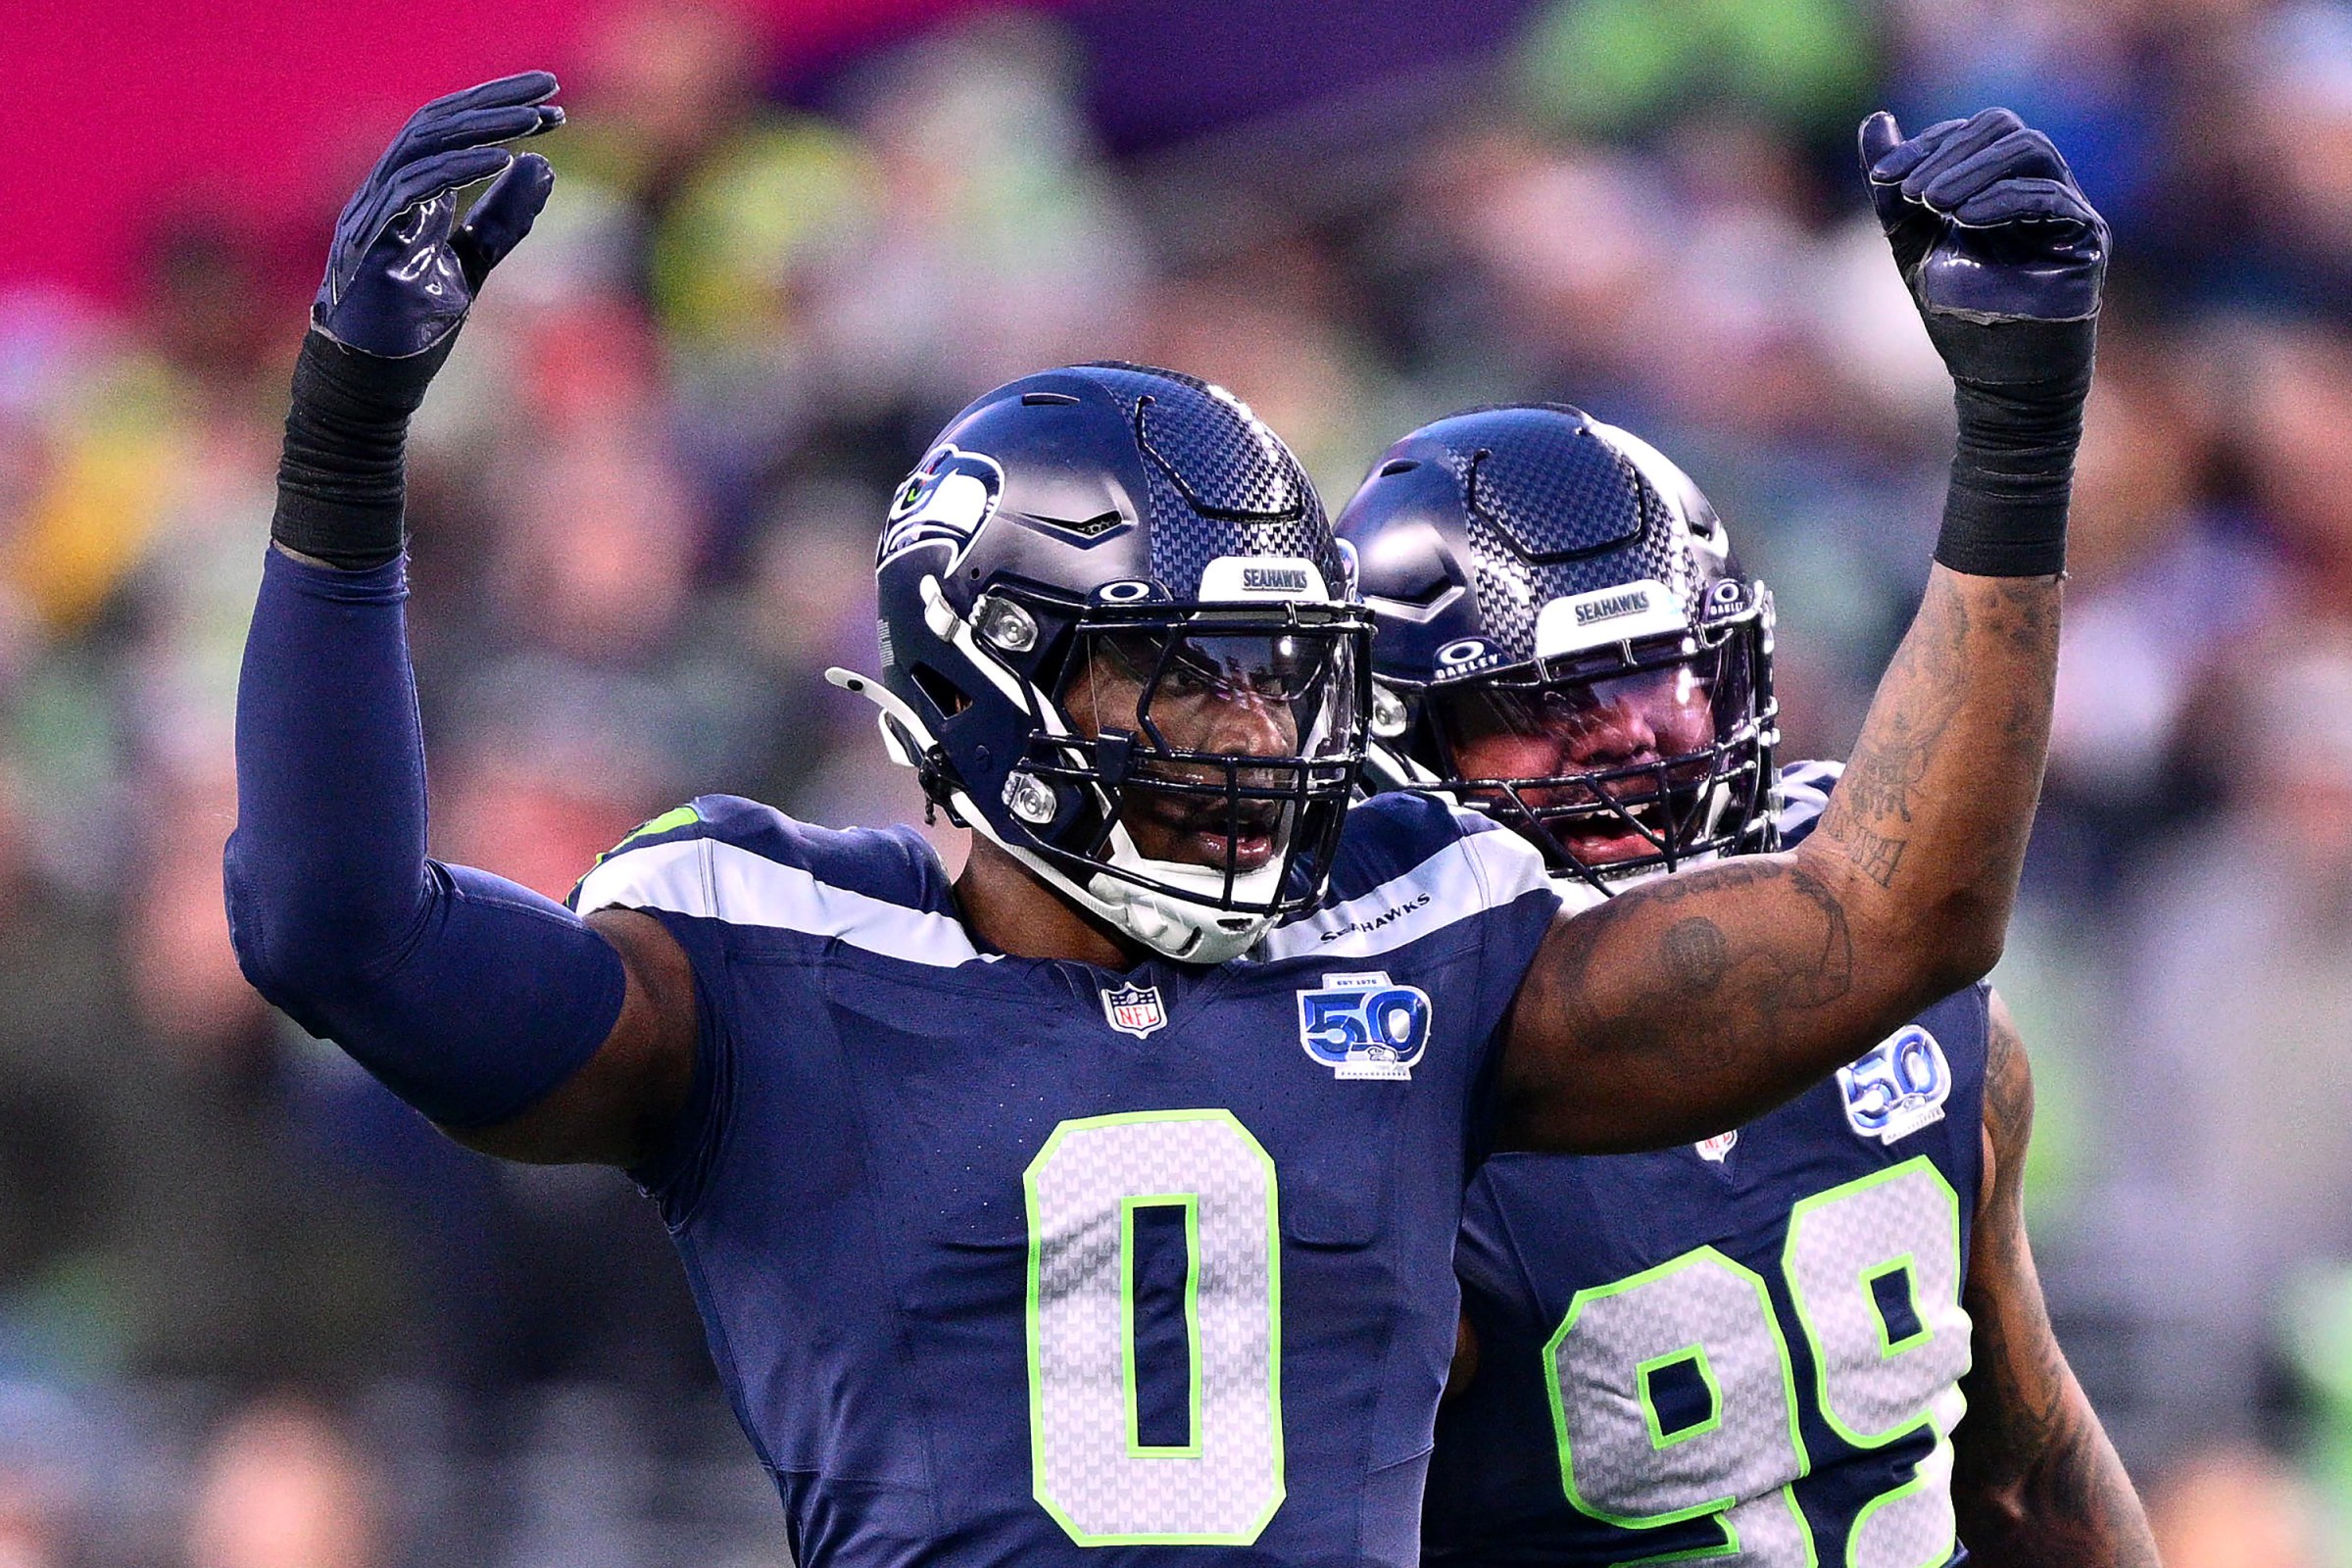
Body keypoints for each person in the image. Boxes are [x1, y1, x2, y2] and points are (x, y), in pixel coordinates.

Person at [223, 76, 2105, 1566]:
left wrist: (2013, 435)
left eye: (1279, 676)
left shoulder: (1408, 939)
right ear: (990, 682)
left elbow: (1889, 923)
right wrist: (347, 442)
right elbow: (338, 931)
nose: (1254, 734)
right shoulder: (765, 968)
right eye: (1185, 678)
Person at [1338, 403, 2158, 1564]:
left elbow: (2025, 1475)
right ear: (1394, 740)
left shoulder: (1902, 989)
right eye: (1546, 701)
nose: (1627, 739)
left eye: (1664, 678)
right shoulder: (1364, 1085)